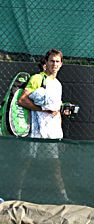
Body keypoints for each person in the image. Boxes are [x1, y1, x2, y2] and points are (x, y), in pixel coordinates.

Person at [17, 49, 70, 202]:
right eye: (52, 61)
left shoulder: (58, 85)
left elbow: (55, 109)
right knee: (26, 163)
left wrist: (60, 117)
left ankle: (63, 198)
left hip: (52, 132)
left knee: (55, 165)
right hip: (35, 130)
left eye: (57, 61)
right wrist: (42, 109)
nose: (54, 64)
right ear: (46, 63)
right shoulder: (37, 79)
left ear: (61, 64)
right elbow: (22, 100)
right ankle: (17, 195)